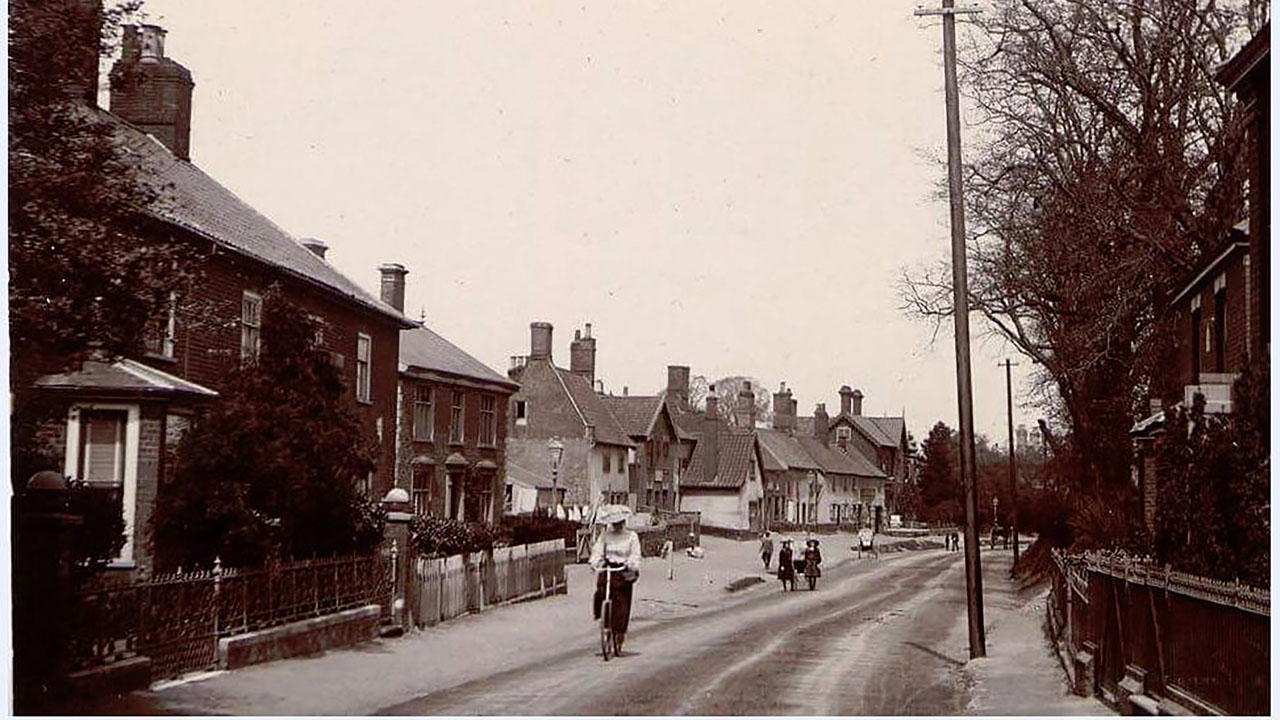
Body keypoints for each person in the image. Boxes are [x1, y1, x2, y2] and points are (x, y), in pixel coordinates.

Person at [590, 505, 642, 652]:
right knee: (601, 590)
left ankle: (619, 634)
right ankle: (602, 616)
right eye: (614, 523)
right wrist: (594, 562)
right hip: (609, 567)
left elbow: (635, 554)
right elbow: (598, 550)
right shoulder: (605, 536)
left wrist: (631, 564)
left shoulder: (631, 537)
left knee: (621, 601)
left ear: (624, 522)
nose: (617, 526)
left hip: (623, 569)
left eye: (619, 523)